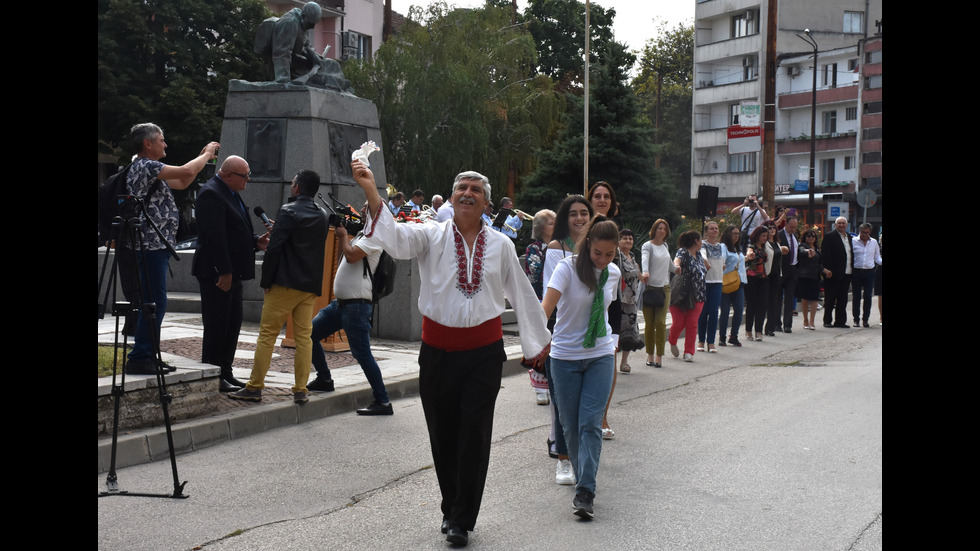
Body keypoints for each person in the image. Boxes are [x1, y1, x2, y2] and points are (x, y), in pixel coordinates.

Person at [351, 160, 551, 547]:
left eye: (476, 190)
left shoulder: (502, 245)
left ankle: (461, 518)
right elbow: (393, 238)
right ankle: (450, 506)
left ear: (487, 204)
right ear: (453, 197)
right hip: (438, 351)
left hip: (484, 353)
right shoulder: (430, 235)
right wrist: (372, 190)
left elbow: (523, 295)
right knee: (443, 432)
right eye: (462, 188)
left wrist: (537, 345)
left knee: (474, 433)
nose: (467, 194)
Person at [120, 123, 220, 375]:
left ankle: (146, 354)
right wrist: (207, 154)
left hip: (153, 245)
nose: (165, 144)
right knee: (155, 303)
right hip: (151, 245)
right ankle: (141, 356)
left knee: (153, 302)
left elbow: (184, 180)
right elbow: (186, 169)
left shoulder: (149, 170)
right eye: (161, 140)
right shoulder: (146, 166)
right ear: (148, 144)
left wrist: (199, 159)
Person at [541, 217, 622, 521]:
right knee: (571, 427)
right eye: (598, 253)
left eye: (609, 254)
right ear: (588, 245)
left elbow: (610, 309)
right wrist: (534, 341)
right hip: (564, 357)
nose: (602, 260)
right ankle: (580, 475)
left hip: (600, 354)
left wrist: (613, 342)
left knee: (590, 423)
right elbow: (546, 307)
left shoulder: (612, 273)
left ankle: (585, 490)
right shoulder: (567, 268)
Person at [229, 170, 330, 404]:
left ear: (296, 188)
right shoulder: (323, 214)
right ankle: (300, 389)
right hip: (309, 285)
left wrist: (266, 280)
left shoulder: (288, 211)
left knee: (267, 335)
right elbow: (309, 244)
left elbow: (274, 249)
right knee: (304, 338)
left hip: (284, 281)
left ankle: (254, 387)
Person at [191, 155, 269, 392]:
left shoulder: (231, 192)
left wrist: (256, 241)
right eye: (244, 176)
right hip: (219, 273)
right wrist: (223, 271)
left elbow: (234, 231)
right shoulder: (211, 193)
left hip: (235, 272)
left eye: (248, 174)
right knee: (217, 325)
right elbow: (216, 237)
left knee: (232, 324)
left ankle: (225, 371)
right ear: (226, 175)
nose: (248, 180)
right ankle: (212, 373)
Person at [306, 207, 393, 415]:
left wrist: (344, 236)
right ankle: (324, 378)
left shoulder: (375, 237)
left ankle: (383, 401)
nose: (361, 211)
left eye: (365, 209)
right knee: (308, 335)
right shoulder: (362, 235)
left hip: (357, 306)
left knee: (362, 354)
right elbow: (342, 260)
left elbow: (353, 257)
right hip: (341, 304)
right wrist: (342, 238)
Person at [544, 196, 593, 484]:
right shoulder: (556, 249)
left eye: (584, 213)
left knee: (586, 406)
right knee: (564, 402)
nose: (579, 219)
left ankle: (582, 455)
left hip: (593, 332)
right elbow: (553, 294)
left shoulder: (596, 248)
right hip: (563, 331)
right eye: (573, 214)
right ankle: (563, 457)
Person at [587, 181, 620, 440]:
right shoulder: (583, 227)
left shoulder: (615, 232)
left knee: (609, 367)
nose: (602, 199)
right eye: (597, 196)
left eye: (606, 196)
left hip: (609, 313)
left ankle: (603, 416)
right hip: (582, 312)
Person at [524, 209, 556, 406]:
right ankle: (539, 386)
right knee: (540, 342)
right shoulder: (534, 248)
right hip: (539, 299)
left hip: (557, 300)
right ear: (541, 227)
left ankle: (553, 383)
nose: (555, 226)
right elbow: (533, 275)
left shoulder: (561, 246)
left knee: (553, 341)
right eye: (551, 223)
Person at [668, 230, 707, 361]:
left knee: (692, 323)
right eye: (701, 240)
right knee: (679, 323)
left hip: (698, 294)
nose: (702, 243)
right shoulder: (683, 251)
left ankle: (689, 352)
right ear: (696, 240)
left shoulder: (700, 254)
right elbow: (676, 260)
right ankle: (672, 340)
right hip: (682, 293)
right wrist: (677, 266)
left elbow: (706, 267)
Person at [640, 219, 671, 367]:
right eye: (659, 228)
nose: (662, 231)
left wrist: (678, 267)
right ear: (654, 230)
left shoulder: (665, 246)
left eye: (664, 229)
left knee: (660, 322)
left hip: (664, 288)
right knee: (649, 324)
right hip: (649, 289)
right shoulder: (647, 245)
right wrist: (645, 272)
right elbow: (644, 259)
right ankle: (650, 354)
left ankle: (659, 355)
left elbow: (671, 265)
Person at [616, 229, 644, 372]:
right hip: (618, 300)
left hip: (632, 301)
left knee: (630, 333)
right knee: (615, 332)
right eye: (625, 238)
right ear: (618, 241)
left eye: (630, 239)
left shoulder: (632, 256)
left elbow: (638, 275)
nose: (628, 241)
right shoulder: (616, 256)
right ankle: (611, 364)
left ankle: (624, 362)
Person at [822, 216, 854, 328]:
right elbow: (825, 256)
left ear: (847, 225)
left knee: (842, 298)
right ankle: (827, 321)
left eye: (843, 223)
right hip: (833, 273)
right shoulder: (829, 236)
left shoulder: (849, 237)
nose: (841, 225)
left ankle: (840, 321)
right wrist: (826, 270)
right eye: (839, 223)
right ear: (835, 225)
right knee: (830, 298)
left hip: (847, 272)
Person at [697, 221, 724, 353]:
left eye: (716, 229)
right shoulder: (703, 244)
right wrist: (705, 261)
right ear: (706, 231)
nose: (715, 231)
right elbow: (702, 255)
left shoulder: (721, 246)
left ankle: (711, 342)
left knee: (713, 312)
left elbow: (724, 262)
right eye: (712, 229)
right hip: (705, 282)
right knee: (703, 312)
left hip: (718, 282)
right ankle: (701, 340)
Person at [718, 225, 747, 347]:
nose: (736, 236)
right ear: (728, 235)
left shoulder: (737, 248)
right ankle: (722, 337)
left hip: (738, 282)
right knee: (724, 311)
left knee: (739, 310)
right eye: (734, 233)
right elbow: (722, 259)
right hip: (726, 282)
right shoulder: (723, 247)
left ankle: (734, 335)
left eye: (738, 233)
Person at [795, 229, 828, 330]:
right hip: (804, 276)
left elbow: (819, 264)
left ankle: (812, 321)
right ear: (805, 238)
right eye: (808, 236)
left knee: (814, 298)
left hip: (815, 276)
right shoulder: (802, 246)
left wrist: (825, 270)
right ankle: (805, 319)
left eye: (813, 236)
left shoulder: (817, 249)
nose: (811, 238)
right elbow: (802, 252)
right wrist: (807, 251)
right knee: (805, 299)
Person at [851, 222, 882, 328]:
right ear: (860, 231)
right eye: (863, 232)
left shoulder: (873, 242)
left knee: (868, 296)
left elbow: (877, 257)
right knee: (856, 297)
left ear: (870, 232)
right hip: (856, 272)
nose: (865, 235)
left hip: (869, 272)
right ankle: (856, 319)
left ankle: (865, 319)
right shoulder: (853, 241)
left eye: (867, 233)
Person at [743, 225, 769, 342]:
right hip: (751, 277)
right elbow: (749, 252)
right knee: (751, 304)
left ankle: (759, 330)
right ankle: (748, 330)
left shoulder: (765, 247)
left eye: (766, 236)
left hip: (763, 277)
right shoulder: (751, 246)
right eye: (763, 236)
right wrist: (750, 255)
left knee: (762, 304)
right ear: (757, 235)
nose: (764, 238)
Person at [777, 217, 800, 332]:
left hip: (792, 269)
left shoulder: (795, 236)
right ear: (786, 224)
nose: (793, 229)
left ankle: (788, 325)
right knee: (777, 298)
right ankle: (776, 323)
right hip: (781, 270)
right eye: (791, 227)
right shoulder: (779, 235)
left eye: (795, 227)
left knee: (790, 299)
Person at [763, 220, 785, 336]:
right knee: (764, 302)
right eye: (769, 227)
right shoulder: (763, 243)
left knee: (774, 301)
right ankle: (758, 328)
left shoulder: (777, 243)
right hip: (766, 275)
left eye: (773, 228)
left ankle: (770, 327)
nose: (772, 230)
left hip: (776, 275)